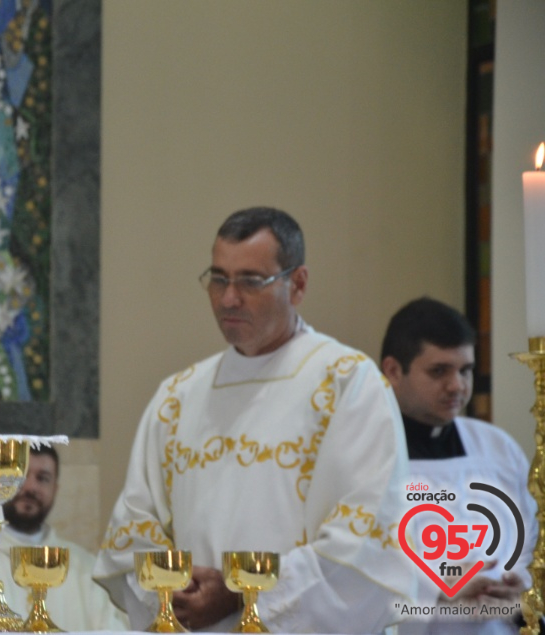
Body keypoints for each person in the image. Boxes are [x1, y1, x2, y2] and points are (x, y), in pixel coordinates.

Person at [93, 206, 417, 633]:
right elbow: (133, 525)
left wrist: (242, 595)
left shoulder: (348, 384)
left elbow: (367, 540)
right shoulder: (178, 397)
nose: (229, 297)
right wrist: (171, 592)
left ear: (297, 284)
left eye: (250, 281)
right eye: (219, 278)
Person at [381, 297, 536, 635]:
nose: (457, 386)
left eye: (465, 370)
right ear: (393, 371)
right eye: (439, 371)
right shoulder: (367, 454)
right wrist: (437, 592)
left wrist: (518, 590)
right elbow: (353, 569)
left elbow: (530, 548)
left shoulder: (498, 448)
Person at [0, 445, 129, 631]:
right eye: (20, 475)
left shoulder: (85, 568)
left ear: (55, 489)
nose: (31, 487)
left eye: (43, 478)